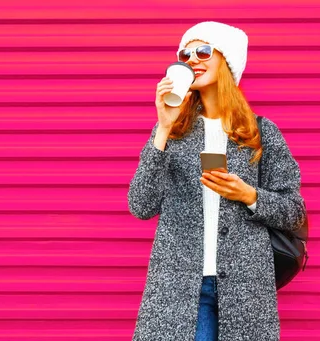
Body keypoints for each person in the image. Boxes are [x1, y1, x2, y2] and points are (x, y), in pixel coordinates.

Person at [127, 21, 306, 341]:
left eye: (204, 51)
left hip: (245, 292)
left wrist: (249, 195)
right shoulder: (172, 132)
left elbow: (294, 212)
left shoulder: (261, 133)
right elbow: (141, 205)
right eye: (186, 53)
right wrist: (164, 127)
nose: (192, 59)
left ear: (228, 62)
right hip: (178, 292)